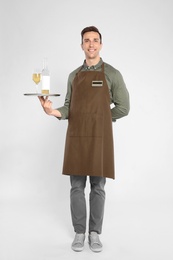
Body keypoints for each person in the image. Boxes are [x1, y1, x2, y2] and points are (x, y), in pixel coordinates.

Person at [38, 26, 130, 252]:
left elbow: (124, 107)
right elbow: (68, 108)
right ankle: (80, 232)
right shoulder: (74, 76)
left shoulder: (112, 74)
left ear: (100, 44)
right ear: (81, 45)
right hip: (77, 137)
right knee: (77, 187)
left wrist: (102, 120)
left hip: (100, 137)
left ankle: (94, 233)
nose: (91, 44)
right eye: (87, 40)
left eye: (95, 40)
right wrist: (52, 111)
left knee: (98, 186)